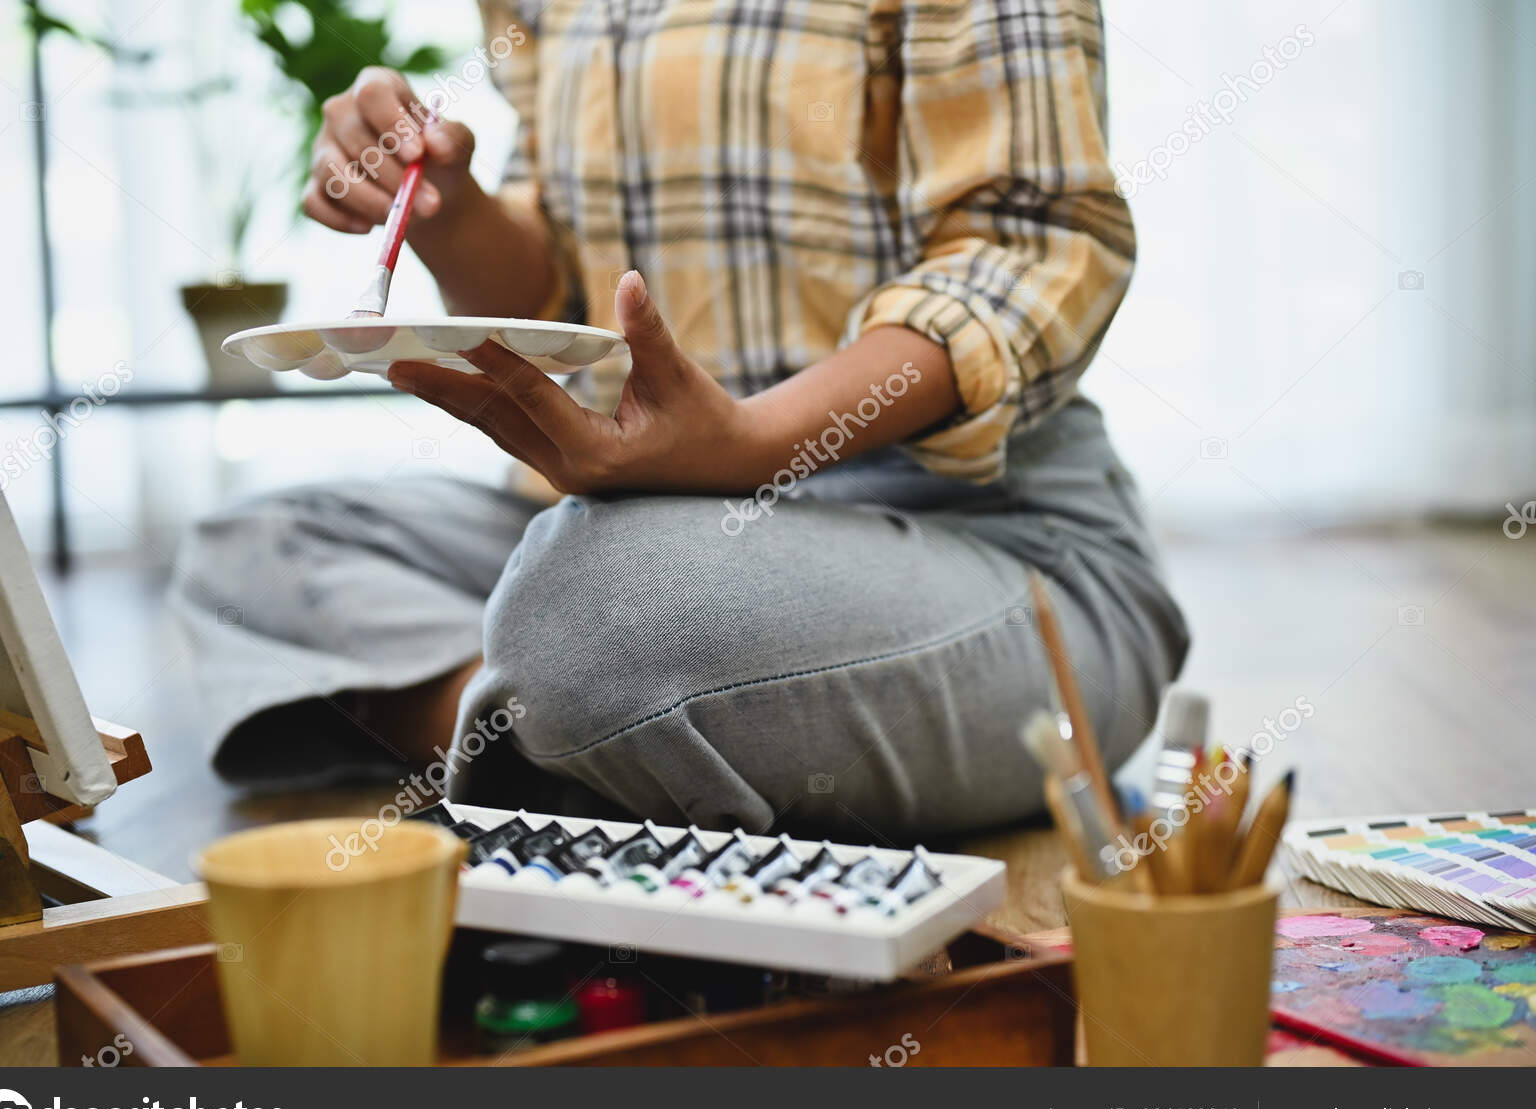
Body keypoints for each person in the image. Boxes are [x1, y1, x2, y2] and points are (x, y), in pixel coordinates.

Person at [171, 0, 1188, 839]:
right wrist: (448, 198)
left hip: (984, 542)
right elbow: (560, 278)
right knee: (250, 552)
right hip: (640, 518)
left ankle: (581, 719)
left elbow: (1032, 244)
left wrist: (750, 447)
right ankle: (592, 732)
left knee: (592, 614)